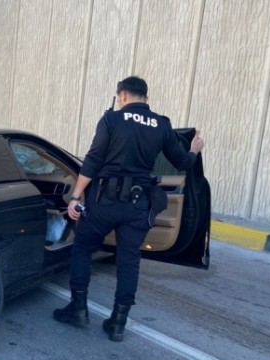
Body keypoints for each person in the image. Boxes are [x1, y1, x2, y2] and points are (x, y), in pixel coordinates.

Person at [53, 76, 205, 342]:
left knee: (83, 248)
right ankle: (118, 324)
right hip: (137, 204)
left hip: (103, 201)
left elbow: (93, 159)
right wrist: (194, 149)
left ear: (122, 96)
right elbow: (182, 162)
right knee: (129, 260)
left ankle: (78, 308)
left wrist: (76, 196)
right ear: (146, 98)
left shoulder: (111, 119)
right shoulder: (161, 124)